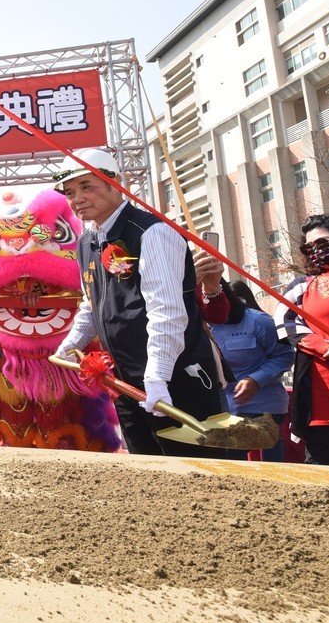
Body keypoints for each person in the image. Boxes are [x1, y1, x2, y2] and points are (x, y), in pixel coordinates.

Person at [52, 149, 225, 458]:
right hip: (124, 381)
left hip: (174, 378)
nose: (77, 198)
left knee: (195, 470)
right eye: (69, 192)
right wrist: (71, 343)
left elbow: (166, 310)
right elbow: (91, 304)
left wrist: (158, 376)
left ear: (114, 184)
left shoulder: (152, 231)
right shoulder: (86, 242)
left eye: (86, 186)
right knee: (146, 469)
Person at [289, 213, 329, 466]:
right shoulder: (303, 286)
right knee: (323, 474)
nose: (317, 251)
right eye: (310, 247)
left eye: (323, 242)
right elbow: (285, 324)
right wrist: (328, 348)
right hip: (324, 401)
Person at [208, 283, 294, 462]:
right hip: (219, 407)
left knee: (242, 453)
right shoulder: (195, 325)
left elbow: (284, 356)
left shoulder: (258, 321)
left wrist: (256, 380)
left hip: (261, 405)